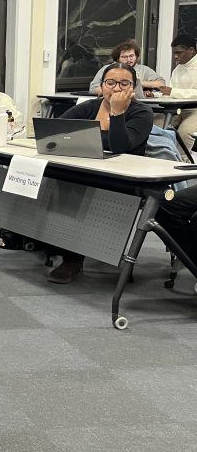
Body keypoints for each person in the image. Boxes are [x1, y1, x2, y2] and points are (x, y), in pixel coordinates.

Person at [45, 63, 154, 283]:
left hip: (123, 178)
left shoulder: (142, 112)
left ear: (133, 87)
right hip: (88, 170)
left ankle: (74, 259)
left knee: (77, 188)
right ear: (101, 85)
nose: (116, 88)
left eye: (124, 83)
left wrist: (116, 113)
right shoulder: (89, 107)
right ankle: (63, 248)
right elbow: (53, 132)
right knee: (57, 178)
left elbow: (121, 145)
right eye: (110, 82)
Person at [158, 33, 197, 149]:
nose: (175, 56)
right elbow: (170, 92)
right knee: (156, 125)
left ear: (191, 50)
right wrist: (156, 94)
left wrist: (172, 92)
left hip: (195, 110)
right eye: (174, 53)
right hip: (178, 109)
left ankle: (181, 162)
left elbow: (173, 91)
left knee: (184, 132)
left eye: (178, 53)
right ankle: (157, 156)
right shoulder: (177, 70)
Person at [87, 40, 163, 94]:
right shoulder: (107, 69)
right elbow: (93, 88)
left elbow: (161, 84)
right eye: (124, 57)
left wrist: (139, 83)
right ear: (117, 58)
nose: (129, 60)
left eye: (131, 56)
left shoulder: (144, 69)